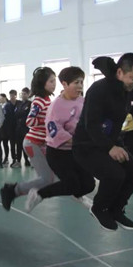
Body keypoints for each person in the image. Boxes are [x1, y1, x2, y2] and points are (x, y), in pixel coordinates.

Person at [73, 54, 133, 231]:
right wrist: (110, 148)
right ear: (120, 72)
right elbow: (91, 124)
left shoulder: (129, 91)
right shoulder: (98, 90)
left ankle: (116, 210)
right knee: (114, 174)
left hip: (111, 141)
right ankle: (99, 208)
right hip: (87, 145)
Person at [20, 67, 95, 213]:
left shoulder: (80, 101)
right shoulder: (45, 103)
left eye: (81, 82)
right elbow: (32, 122)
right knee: (50, 179)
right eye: (76, 82)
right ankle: (34, 193)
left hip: (69, 148)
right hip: (46, 146)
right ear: (65, 84)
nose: (80, 86)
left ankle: (77, 194)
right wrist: (47, 122)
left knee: (88, 184)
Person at [0, 67, 56, 211]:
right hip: (33, 143)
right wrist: (47, 121)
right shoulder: (38, 101)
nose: (54, 84)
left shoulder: (47, 99)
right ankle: (12, 191)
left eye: (54, 81)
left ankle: (26, 192)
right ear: (42, 83)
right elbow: (30, 121)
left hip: (41, 143)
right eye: (51, 81)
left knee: (50, 178)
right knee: (47, 179)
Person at [1, 90, 19, 166]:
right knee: (5, 143)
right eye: (10, 95)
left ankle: (14, 159)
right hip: (6, 127)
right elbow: (4, 116)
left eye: (13, 95)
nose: (11, 97)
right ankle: (6, 158)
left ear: (16, 95)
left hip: (15, 128)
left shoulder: (19, 104)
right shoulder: (7, 106)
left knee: (13, 144)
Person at [14, 87, 32, 167]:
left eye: (25, 94)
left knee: (26, 145)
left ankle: (27, 160)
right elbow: (16, 114)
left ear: (28, 94)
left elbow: (26, 113)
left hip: (26, 128)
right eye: (22, 94)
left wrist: (21, 113)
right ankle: (18, 161)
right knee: (18, 145)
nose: (23, 95)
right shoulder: (19, 103)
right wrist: (21, 112)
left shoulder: (30, 104)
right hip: (18, 127)